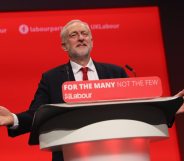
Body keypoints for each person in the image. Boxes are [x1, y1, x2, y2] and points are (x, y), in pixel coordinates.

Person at [0, 19, 183, 161]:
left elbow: (137, 108)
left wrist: (169, 106)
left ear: (92, 41)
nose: (81, 38)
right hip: (70, 154)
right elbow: (37, 114)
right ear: (64, 45)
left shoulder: (115, 72)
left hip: (118, 153)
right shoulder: (52, 78)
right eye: (74, 35)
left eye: (85, 34)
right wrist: (13, 119)